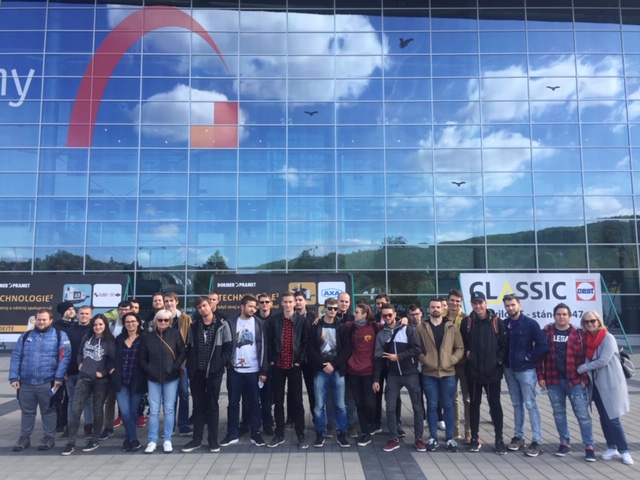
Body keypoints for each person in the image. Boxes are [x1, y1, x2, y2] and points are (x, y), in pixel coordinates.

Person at [536, 303, 596, 462]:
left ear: (569, 316)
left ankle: (589, 446)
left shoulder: (579, 334)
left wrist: (584, 379)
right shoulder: (546, 333)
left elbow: (587, 357)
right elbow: (539, 356)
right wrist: (540, 376)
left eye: (564, 314)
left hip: (575, 381)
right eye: (558, 314)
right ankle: (564, 443)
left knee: (582, 415)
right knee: (559, 413)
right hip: (553, 380)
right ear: (554, 316)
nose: (561, 317)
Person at [10, 309, 71, 452]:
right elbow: (16, 356)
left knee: (48, 411)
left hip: (48, 381)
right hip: (26, 382)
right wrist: (13, 377)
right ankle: (24, 438)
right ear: (35, 320)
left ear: (51, 320)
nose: (41, 322)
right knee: (27, 412)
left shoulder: (60, 335)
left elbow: (65, 358)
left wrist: (58, 377)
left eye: (44, 319)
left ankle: (49, 437)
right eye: (39, 319)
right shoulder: (26, 336)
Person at [577, 311, 633, 465]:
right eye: (586, 322)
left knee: (613, 418)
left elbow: (603, 360)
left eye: (592, 321)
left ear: (599, 321)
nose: (590, 324)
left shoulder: (608, 338)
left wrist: (582, 368)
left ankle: (625, 450)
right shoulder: (587, 338)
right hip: (596, 385)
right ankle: (611, 447)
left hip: (610, 383)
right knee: (603, 417)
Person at [182, 296, 233, 453]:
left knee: (212, 405)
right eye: (199, 307)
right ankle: (196, 439)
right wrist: (190, 366)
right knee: (198, 406)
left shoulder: (222, 325)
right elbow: (189, 347)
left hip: (214, 372)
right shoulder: (194, 325)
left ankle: (212, 440)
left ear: (211, 305)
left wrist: (219, 363)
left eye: (204, 305)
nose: (202, 309)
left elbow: (228, 347)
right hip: (197, 371)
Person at [373, 303, 425, 453]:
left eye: (390, 314)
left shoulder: (406, 328)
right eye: (384, 315)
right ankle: (393, 438)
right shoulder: (381, 335)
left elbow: (417, 349)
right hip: (393, 375)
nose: (387, 317)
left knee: (417, 406)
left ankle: (419, 438)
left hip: (410, 373)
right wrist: (376, 379)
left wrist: (399, 357)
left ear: (395, 314)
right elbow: (378, 359)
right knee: (390, 407)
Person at [460, 291, 507, 454]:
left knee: (495, 405)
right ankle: (474, 438)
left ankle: (499, 439)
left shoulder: (497, 322)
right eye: (475, 303)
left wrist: (498, 361)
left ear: (486, 303)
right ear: (471, 304)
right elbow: (462, 342)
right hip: (473, 371)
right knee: (474, 404)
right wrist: (467, 351)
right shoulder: (467, 322)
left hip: (493, 372)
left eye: (480, 302)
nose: (478, 306)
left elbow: (504, 345)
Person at [62, 314, 116, 455]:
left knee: (97, 409)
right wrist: (80, 364)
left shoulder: (110, 342)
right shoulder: (87, 338)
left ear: (105, 326)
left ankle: (94, 439)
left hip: (101, 381)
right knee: (75, 409)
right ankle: (71, 442)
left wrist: (103, 373)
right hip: (84, 378)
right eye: (95, 324)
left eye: (100, 324)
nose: (98, 327)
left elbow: (114, 361)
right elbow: (80, 353)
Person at [502, 294, 549, 457]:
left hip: (526, 370)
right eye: (507, 305)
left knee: (530, 404)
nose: (510, 308)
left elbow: (543, 346)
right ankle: (518, 437)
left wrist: (528, 357)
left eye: (513, 305)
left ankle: (537, 441)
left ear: (519, 305)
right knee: (516, 404)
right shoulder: (505, 324)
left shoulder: (530, 324)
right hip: (509, 369)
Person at [416, 298, 464, 453]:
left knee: (448, 405)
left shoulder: (451, 327)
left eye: (438, 307)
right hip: (429, 373)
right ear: (428, 309)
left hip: (448, 373)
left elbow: (460, 348)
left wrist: (452, 360)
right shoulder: (421, 327)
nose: (435, 309)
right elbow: (416, 348)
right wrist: (425, 360)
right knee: (431, 404)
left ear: (442, 309)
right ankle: (433, 437)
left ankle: (449, 438)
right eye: (432, 307)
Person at [222, 295, 268, 448]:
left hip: (254, 370)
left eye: (255, 306)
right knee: (233, 403)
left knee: (255, 402)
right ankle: (232, 433)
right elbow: (225, 345)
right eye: (250, 306)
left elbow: (264, 349)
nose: (253, 309)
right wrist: (227, 362)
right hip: (235, 370)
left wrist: (263, 370)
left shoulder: (260, 324)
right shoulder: (231, 323)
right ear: (242, 307)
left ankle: (255, 433)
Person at [140, 309, 187, 454]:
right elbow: (142, 357)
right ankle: (152, 440)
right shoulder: (148, 337)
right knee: (154, 410)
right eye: (160, 320)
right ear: (155, 321)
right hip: (153, 378)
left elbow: (182, 352)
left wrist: (175, 367)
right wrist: (149, 369)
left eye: (166, 320)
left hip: (171, 377)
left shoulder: (175, 334)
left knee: (169, 408)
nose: (163, 322)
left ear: (170, 321)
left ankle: (167, 439)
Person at [308, 297, 352, 448]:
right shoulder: (316, 326)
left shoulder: (342, 327)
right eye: (330, 308)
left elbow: (347, 349)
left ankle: (342, 434)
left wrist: (334, 364)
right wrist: (323, 364)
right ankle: (320, 433)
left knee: (340, 405)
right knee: (319, 405)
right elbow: (310, 348)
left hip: (337, 370)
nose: (333, 311)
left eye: (335, 308)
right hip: (320, 370)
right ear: (324, 309)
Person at [268, 292, 309, 449]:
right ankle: (279, 434)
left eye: (290, 302)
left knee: (297, 402)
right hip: (278, 366)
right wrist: (272, 359)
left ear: (294, 303)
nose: (288, 304)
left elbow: (305, 342)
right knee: (278, 402)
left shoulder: (301, 321)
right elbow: (270, 341)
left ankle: (301, 435)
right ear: (281, 303)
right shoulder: (275, 320)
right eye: (285, 302)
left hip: (294, 367)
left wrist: (300, 361)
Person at [59, 305, 94, 441]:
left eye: (86, 314)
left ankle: (88, 427)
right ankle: (70, 427)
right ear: (77, 315)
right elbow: (63, 351)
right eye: (81, 313)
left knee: (88, 401)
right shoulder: (68, 331)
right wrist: (63, 370)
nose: (84, 316)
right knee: (71, 400)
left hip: (88, 373)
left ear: (91, 315)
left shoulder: (94, 330)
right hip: (71, 371)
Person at [346, 303, 379, 446]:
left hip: (369, 372)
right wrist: (318, 320)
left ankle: (370, 424)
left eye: (357, 312)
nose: (354, 314)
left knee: (370, 403)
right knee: (359, 403)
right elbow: (332, 323)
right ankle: (365, 433)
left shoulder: (375, 327)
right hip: (353, 371)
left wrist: (404, 320)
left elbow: (392, 325)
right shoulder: (350, 326)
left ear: (365, 314)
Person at [113, 312, 147, 452]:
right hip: (121, 380)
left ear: (138, 322)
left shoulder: (144, 339)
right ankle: (133, 439)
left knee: (133, 411)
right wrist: (112, 370)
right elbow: (112, 356)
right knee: (125, 412)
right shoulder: (119, 339)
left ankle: (129, 440)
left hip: (137, 380)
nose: (130, 324)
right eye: (127, 322)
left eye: (133, 321)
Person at [100, 300, 132, 440]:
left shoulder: (135, 325)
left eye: (126, 309)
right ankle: (108, 427)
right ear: (118, 310)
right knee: (110, 400)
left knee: (127, 402)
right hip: (112, 369)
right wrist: (110, 368)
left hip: (129, 370)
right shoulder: (111, 326)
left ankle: (129, 429)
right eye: (121, 309)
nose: (123, 312)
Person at [163, 291, 193, 436]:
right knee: (169, 397)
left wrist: (185, 358)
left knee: (184, 393)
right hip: (166, 362)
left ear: (176, 302)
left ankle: (183, 425)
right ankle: (170, 426)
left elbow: (189, 340)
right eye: (166, 301)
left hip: (182, 362)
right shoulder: (161, 318)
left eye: (171, 301)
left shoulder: (185, 318)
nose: (169, 303)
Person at [445, 289, 470, 443]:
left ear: (461, 302)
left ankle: (468, 432)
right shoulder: (442, 318)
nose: (455, 303)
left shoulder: (467, 319)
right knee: (451, 398)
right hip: (448, 365)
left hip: (465, 364)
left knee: (467, 399)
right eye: (452, 300)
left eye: (458, 301)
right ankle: (455, 431)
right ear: (448, 301)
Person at [294, 290, 317, 428]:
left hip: (309, 360)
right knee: (294, 393)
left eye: (300, 300)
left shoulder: (314, 317)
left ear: (305, 302)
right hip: (295, 360)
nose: (298, 302)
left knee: (312, 391)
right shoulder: (289, 317)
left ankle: (316, 418)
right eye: (295, 300)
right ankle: (292, 419)